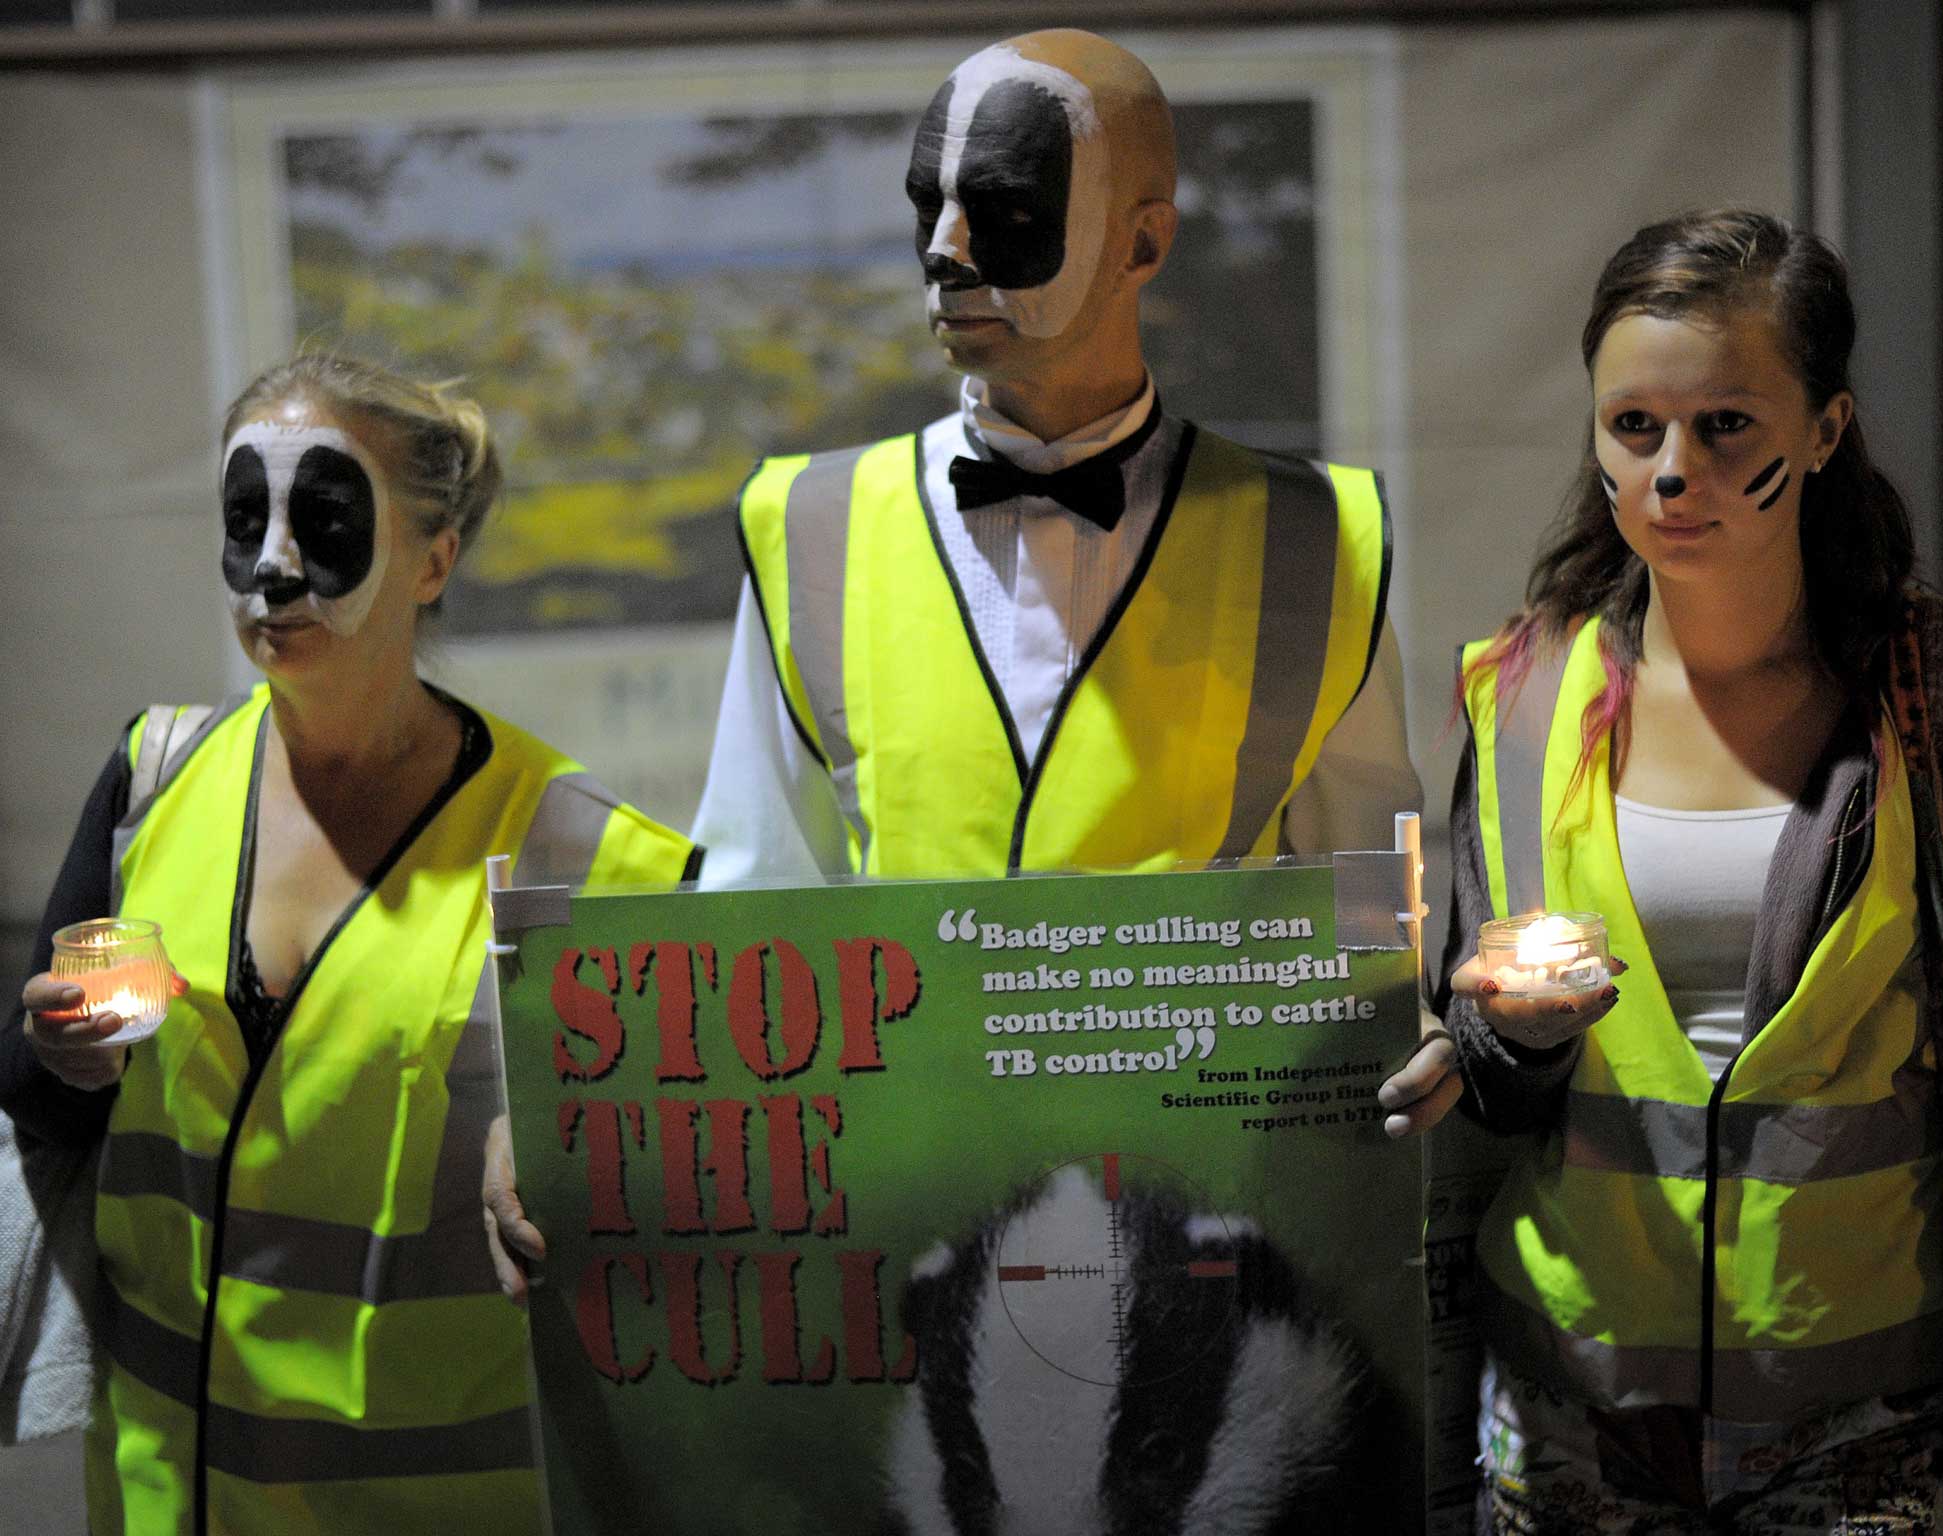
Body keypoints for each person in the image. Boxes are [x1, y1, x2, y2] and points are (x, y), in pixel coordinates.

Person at [1383, 208, 1943, 1532]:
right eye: (1635, 428)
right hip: (1575, 1413)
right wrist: (1500, 1038)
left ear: (1826, 427)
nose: (1674, 471)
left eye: (1726, 425)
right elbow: (1496, 1065)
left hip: (1859, 1425)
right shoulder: (1520, 698)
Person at [0, 353, 701, 1534]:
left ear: (435, 559)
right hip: (166, 1499)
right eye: (244, 518)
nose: (272, 568)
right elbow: (41, 1095)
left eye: (323, 520)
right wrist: (69, 1044)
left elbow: (692, 1235)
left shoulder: (591, 864)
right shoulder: (156, 779)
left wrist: (578, 1165)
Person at [688, 27, 1422, 883]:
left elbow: (1368, 909)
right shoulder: (807, 524)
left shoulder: (1314, 537)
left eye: (1006, 210)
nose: (942, 250)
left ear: (1142, 245)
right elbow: (759, 894)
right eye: (931, 205)